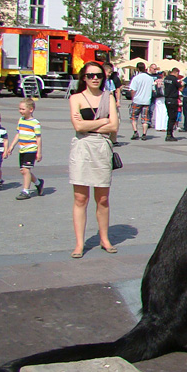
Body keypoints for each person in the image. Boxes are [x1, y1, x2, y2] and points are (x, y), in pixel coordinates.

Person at [68, 62, 120, 258]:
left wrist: (89, 125)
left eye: (98, 75)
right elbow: (78, 126)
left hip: (101, 148)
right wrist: (102, 121)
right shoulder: (76, 98)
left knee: (103, 198)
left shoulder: (109, 98)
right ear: (84, 78)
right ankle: (80, 243)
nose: (95, 78)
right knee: (80, 198)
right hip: (82, 148)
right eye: (90, 75)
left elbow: (114, 126)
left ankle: (104, 239)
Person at [6, 98, 44, 200]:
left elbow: (38, 138)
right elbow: (18, 134)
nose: (20, 111)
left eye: (23, 109)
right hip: (22, 149)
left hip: (31, 149)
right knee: (23, 171)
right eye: (20, 109)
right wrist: (11, 146)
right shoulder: (21, 120)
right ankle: (38, 183)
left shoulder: (35, 123)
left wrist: (39, 152)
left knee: (26, 170)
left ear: (30, 109)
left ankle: (25, 191)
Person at [128, 62, 154, 141]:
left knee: (133, 117)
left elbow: (133, 90)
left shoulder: (136, 78)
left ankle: (135, 132)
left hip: (137, 100)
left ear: (137, 69)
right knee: (145, 118)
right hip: (146, 101)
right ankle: (144, 133)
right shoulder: (150, 78)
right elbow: (153, 90)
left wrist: (133, 98)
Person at [103, 63, 123, 146]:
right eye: (109, 72)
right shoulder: (100, 81)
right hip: (104, 104)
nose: (110, 74)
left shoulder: (110, 81)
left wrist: (117, 101)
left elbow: (114, 91)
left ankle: (113, 139)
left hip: (111, 103)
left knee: (116, 120)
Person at [163, 68, 182, 142]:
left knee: (169, 116)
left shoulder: (166, 78)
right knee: (172, 118)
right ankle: (169, 134)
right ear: (176, 73)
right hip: (173, 100)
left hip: (167, 99)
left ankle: (169, 133)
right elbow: (180, 87)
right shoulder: (175, 79)